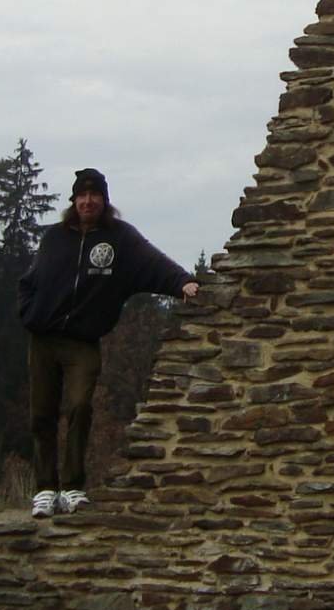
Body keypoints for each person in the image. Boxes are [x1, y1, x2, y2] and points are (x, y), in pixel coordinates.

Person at [16, 167, 199, 518]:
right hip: (43, 339)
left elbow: (152, 263)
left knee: (80, 407)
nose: (88, 201)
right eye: (82, 196)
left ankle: (71, 487)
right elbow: (29, 280)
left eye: (94, 195)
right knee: (42, 414)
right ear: (74, 200)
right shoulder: (54, 237)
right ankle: (44, 489)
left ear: (104, 200)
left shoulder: (119, 239)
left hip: (83, 342)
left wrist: (183, 283)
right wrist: (27, 313)